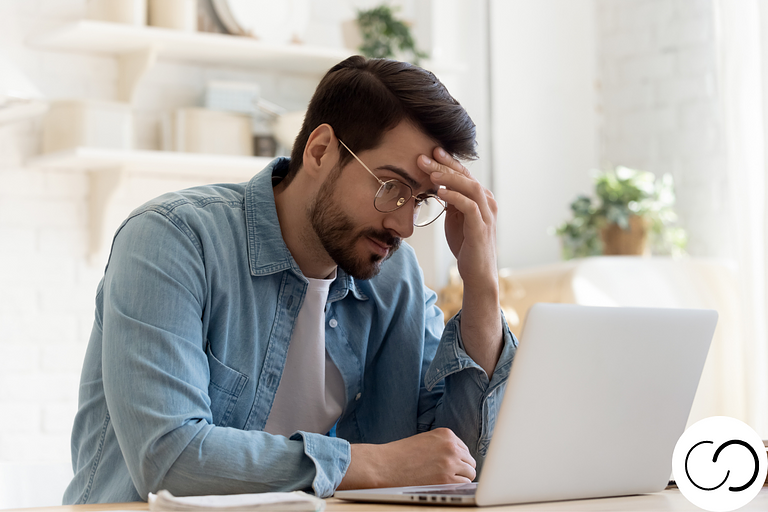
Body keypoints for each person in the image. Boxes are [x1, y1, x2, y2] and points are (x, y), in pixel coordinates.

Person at [63, 56, 517, 505]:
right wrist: (374, 465)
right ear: (320, 151)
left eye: (418, 201)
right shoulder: (173, 240)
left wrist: (481, 285)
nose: (402, 226)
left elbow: (455, 461)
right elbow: (168, 459)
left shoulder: (394, 280)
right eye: (390, 188)